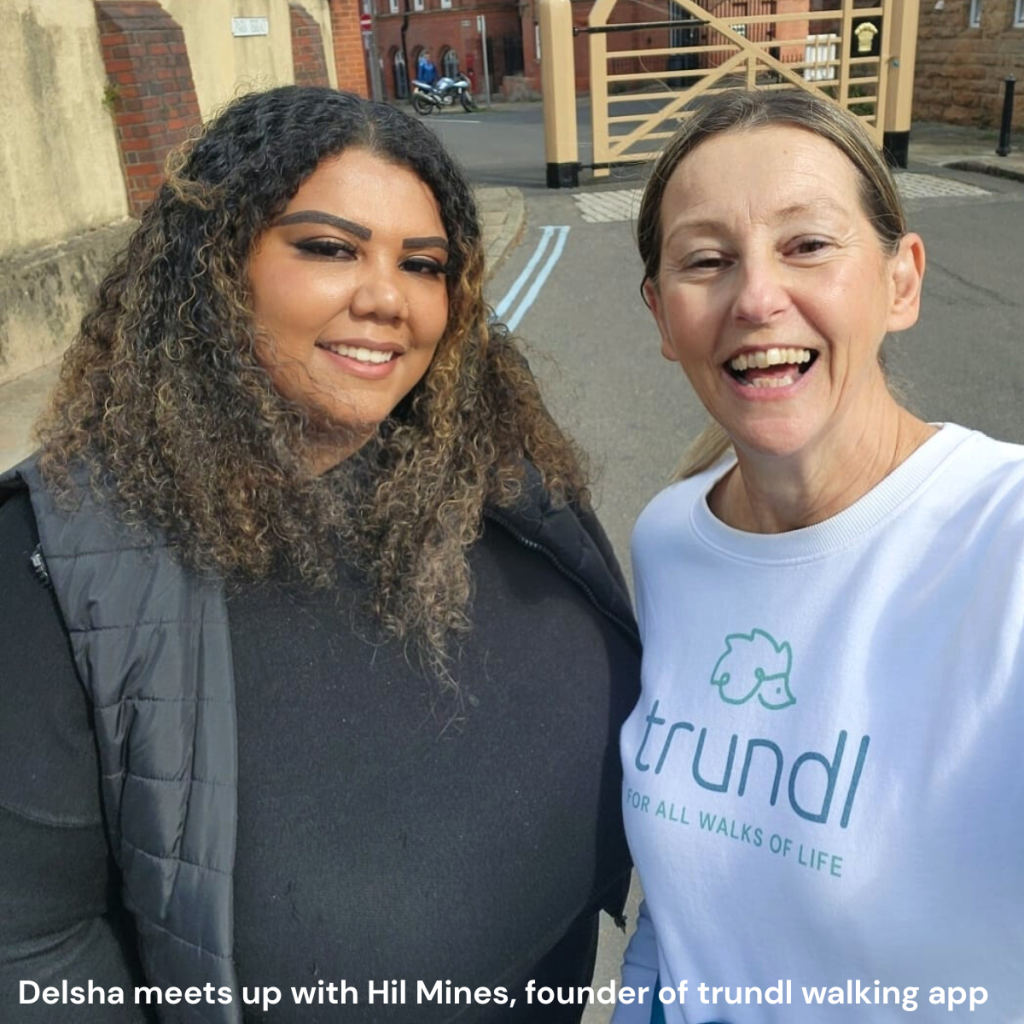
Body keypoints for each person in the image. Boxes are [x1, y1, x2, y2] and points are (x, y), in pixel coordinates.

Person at [0, 86, 640, 1023]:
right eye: (329, 247)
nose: (386, 297)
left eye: (422, 264)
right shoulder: (56, 564)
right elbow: (31, 953)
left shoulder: (509, 476)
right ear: (214, 266)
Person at [614, 88, 1024, 1022]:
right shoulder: (672, 540)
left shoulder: (1006, 542)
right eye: (707, 260)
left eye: (807, 245)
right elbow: (684, 923)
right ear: (661, 315)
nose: (757, 297)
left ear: (901, 281)